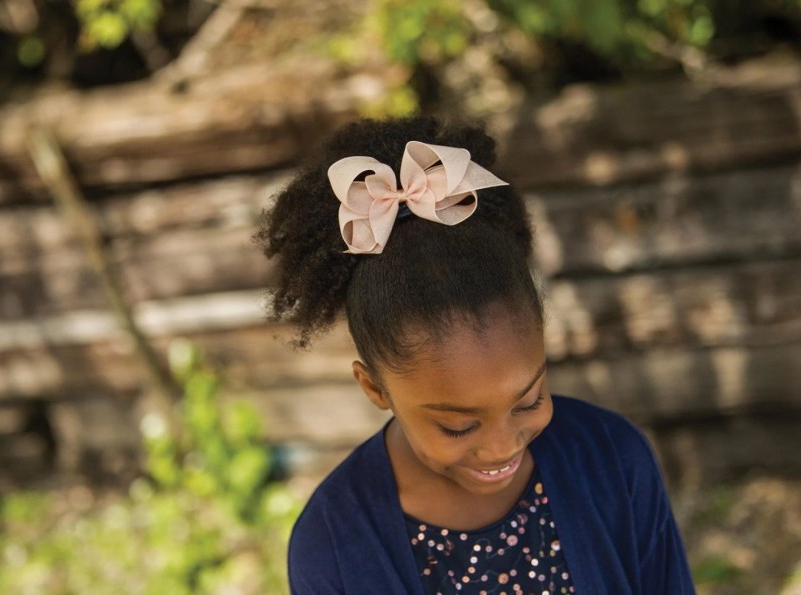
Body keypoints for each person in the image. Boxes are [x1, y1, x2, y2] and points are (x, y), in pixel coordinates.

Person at [256, 117, 695, 594]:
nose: (503, 446)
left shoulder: (612, 460)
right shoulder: (333, 545)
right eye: (458, 426)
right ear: (375, 388)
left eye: (529, 400)